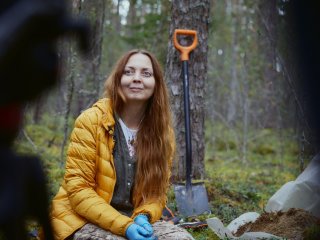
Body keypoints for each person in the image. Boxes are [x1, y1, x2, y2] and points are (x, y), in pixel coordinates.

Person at [50, 49, 194, 240]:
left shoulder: (162, 133)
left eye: (146, 73)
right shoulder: (91, 121)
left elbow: (156, 195)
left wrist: (144, 216)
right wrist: (125, 227)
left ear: (156, 84)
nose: (136, 78)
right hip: (80, 218)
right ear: (117, 79)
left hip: (131, 218)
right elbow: (78, 191)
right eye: (128, 72)